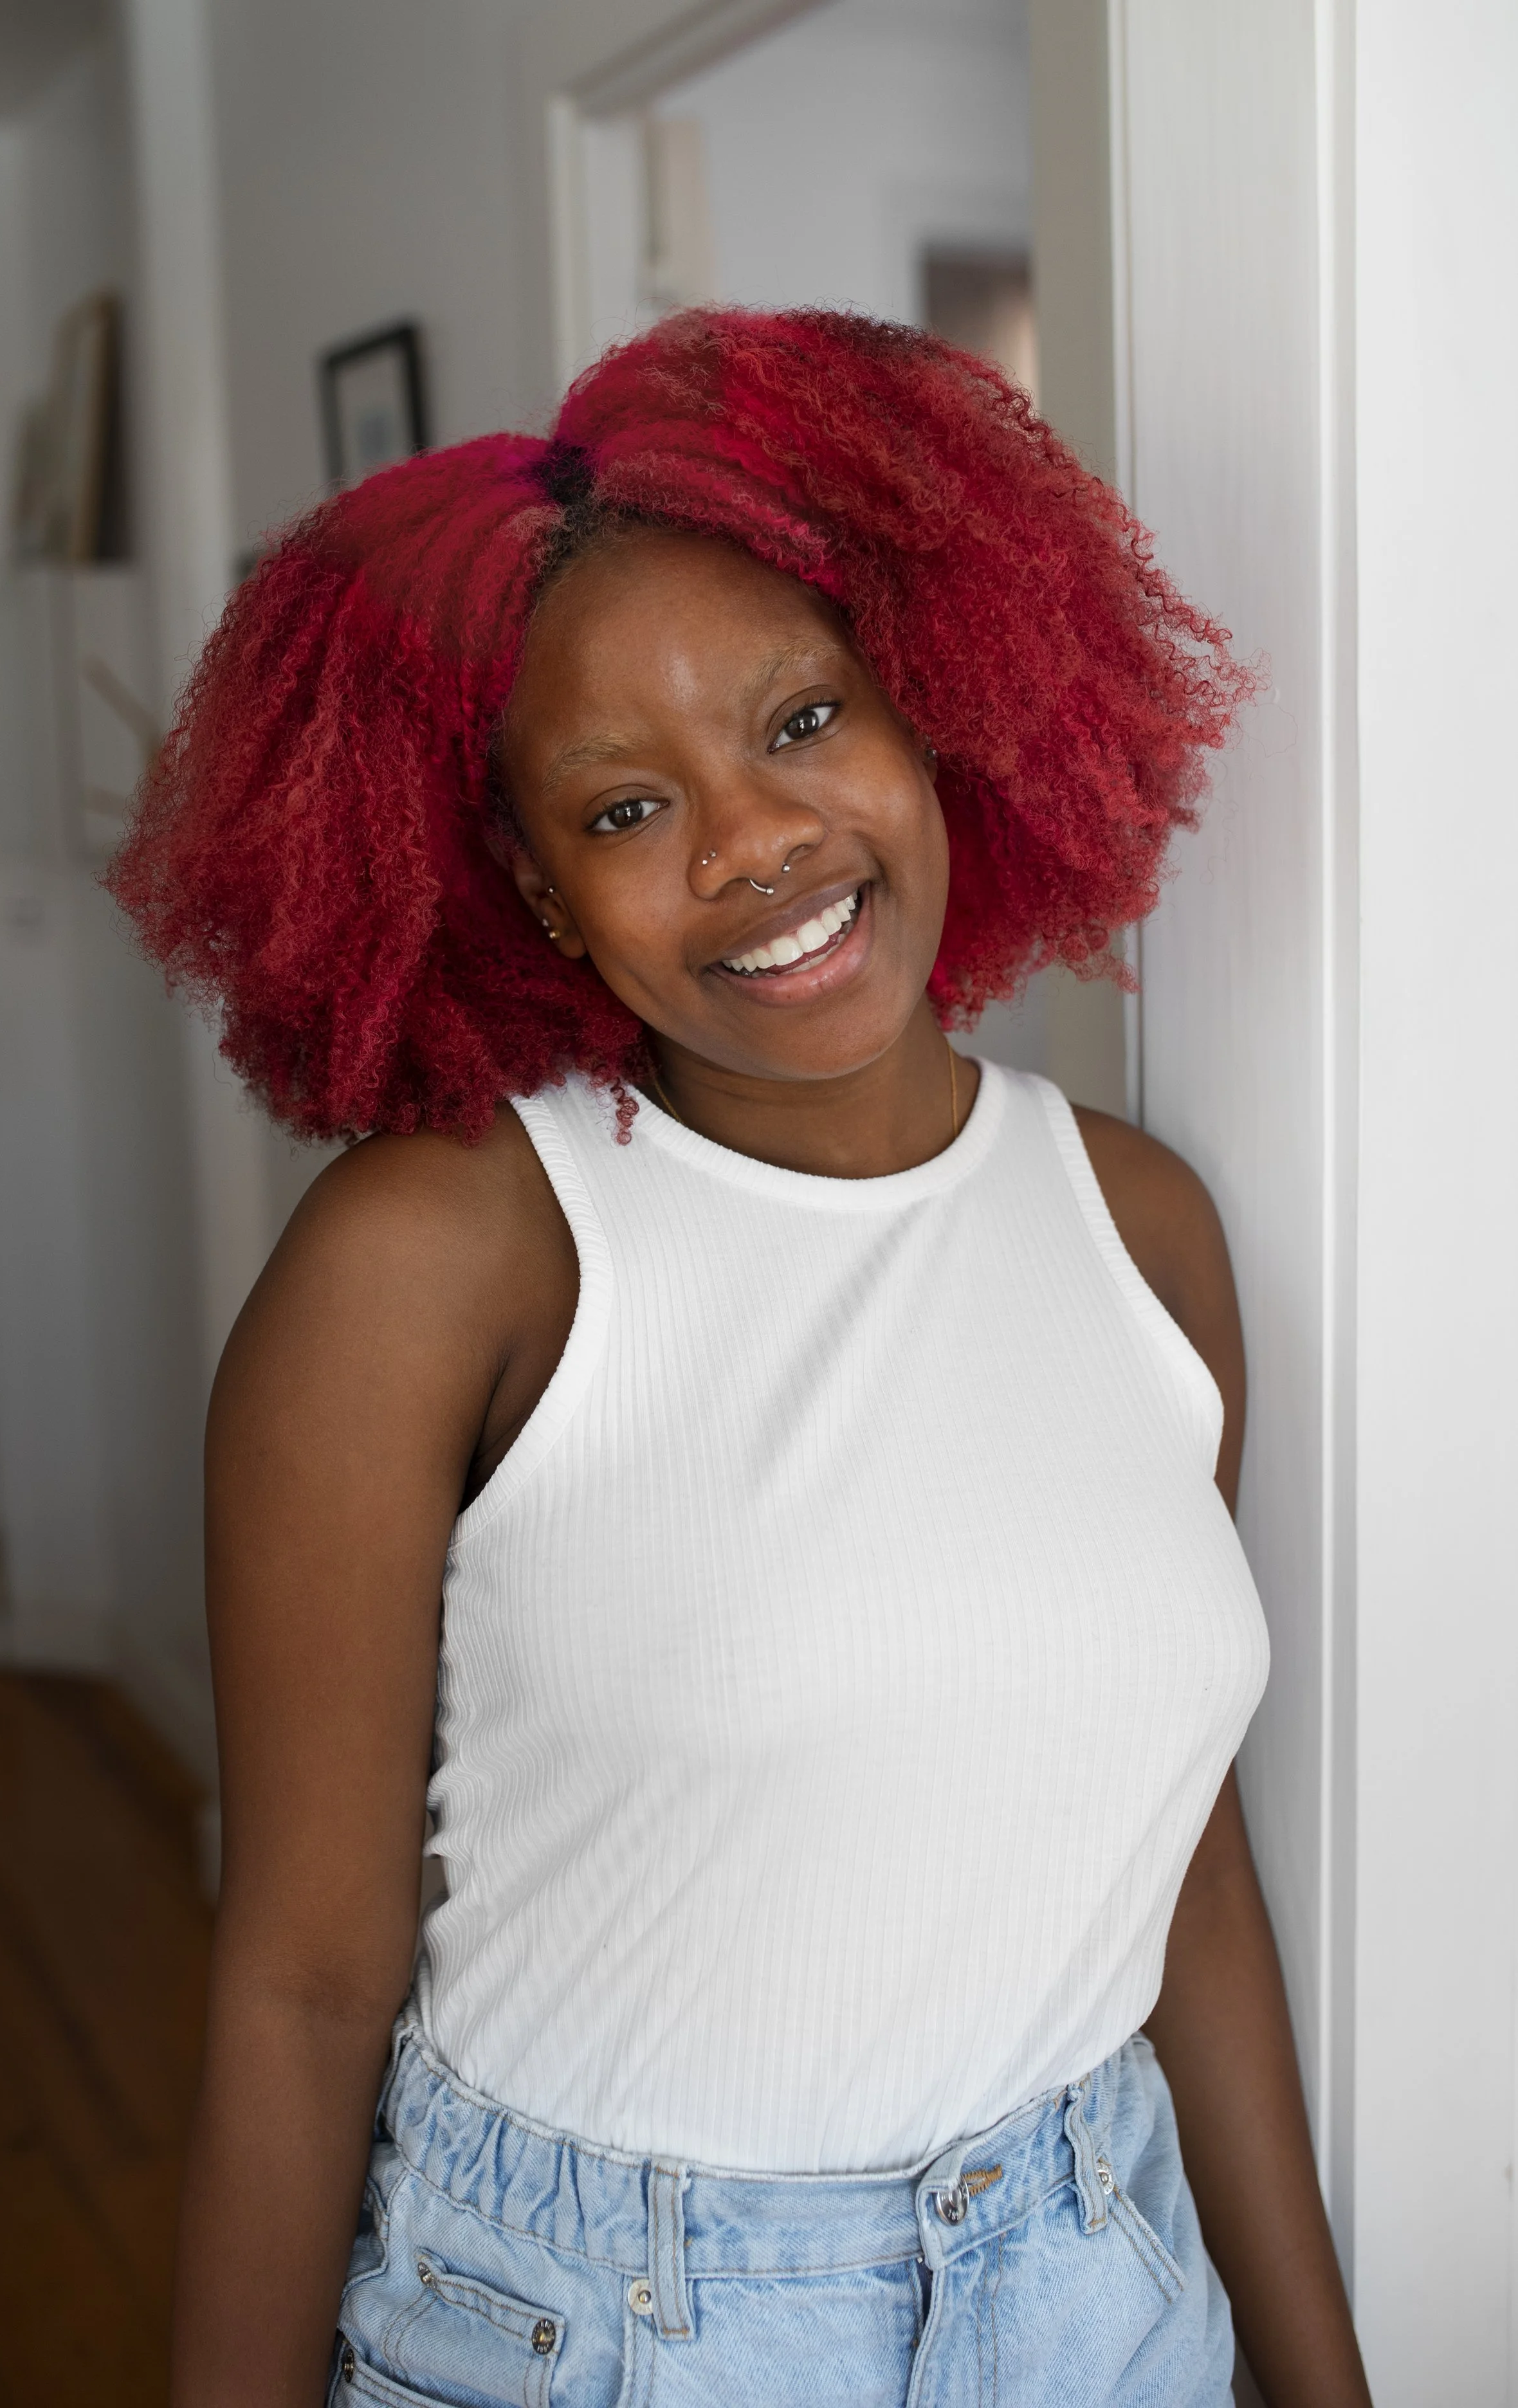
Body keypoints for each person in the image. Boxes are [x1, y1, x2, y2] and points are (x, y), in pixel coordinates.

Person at [114, 308, 1371, 2407]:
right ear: (529, 883)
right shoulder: (440, 1258)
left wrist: (1318, 2378)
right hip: (604, 2332)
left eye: (802, 719)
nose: (751, 843)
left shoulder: (1138, 1227)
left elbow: (1176, 1864)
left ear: (933, 707)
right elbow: (309, 1980)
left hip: (1096, 2284)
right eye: (623, 810)